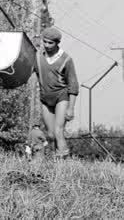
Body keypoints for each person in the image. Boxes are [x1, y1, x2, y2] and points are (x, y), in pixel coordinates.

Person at [33, 26, 79, 159]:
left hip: (61, 97)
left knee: (59, 131)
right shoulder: (37, 56)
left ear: (57, 43)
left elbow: (73, 85)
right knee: (51, 134)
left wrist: (71, 108)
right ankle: (54, 161)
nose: (47, 45)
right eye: (45, 42)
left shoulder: (66, 59)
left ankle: (63, 163)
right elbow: (30, 71)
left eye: (50, 43)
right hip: (45, 99)